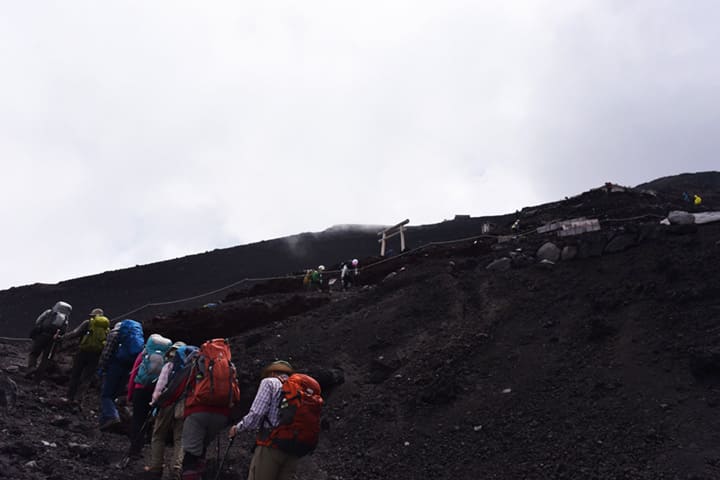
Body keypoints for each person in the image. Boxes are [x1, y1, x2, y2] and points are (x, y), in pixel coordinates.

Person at [228, 360, 323, 480]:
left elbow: (257, 413)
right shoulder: (301, 391)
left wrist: (238, 428)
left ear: (272, 373)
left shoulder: (269, 382)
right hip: (294, 449)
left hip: (271, 445)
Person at [180, 338, 240, 480]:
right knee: (202, 449)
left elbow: (183, 383)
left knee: (191, 453)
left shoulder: (199, 361)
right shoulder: (230, 366)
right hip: (221, 415)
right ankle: (200, 474)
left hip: (197, 412)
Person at [144, 342, 190, 480]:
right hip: (184, 405)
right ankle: (176, 468)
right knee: (180, 438)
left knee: (158, 434)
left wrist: (154, 403)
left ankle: (156, 467)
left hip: (166, 404)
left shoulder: (169, 366)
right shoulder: (191, 368)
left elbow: (160, 387)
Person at [127, 334, 172, 460]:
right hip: (155, 392)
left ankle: (134, 449)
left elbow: (133, 375)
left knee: (137, 419)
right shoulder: (167, 358)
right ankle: (143, 448)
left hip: (140, 390)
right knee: (148, 419)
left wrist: (130, 394)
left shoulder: (144, 354)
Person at [97, 319, 145, 430]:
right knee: (114, 395)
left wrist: (101, 368)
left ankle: (113, 416)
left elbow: (107, 352)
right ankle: (104, 422)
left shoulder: (114, 334)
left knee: (106, 395)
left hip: (115, 366)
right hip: (128, 369)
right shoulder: (136, 336)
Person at [64, 307, 110, 402]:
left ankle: (69, 397)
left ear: (93, 316)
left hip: (83, 352)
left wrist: (62, 338)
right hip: (96, 355)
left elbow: (75, 333)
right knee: (87, 378)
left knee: (76, 375)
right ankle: (79, 400)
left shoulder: (88, 323)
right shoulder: (106, 327)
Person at [27, 301, 72, 376]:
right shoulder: (65, 319)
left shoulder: (49, 312)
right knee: (46, 358)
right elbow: (64, 330)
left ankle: (31, 368)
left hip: (42, 335)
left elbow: (38, 321)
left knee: (34, 353)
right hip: (53, 340)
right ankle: (39, 375)